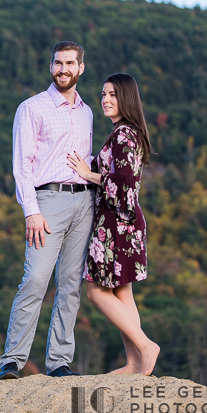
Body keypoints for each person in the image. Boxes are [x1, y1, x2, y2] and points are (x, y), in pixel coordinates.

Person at [0, 41, 94, 380]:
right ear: (50, 66)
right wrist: (30, 210)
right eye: (57, 63)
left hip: (85, 202)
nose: (63, 69)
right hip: (47, 201)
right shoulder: (32, 108)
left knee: (70, 284)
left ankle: (59, 362)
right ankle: (12, 360)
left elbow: (85, 160)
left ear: (81, 68)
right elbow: (22, 164)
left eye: (70, 63)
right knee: (36, 278)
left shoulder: (87, 112)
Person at [66, 73, 160, 375]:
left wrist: (86, 172)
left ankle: (146, 347)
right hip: (125, 222)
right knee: (123, 293)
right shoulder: (127, 132)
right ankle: (134, 363)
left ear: (126, 99)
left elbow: (124, 185)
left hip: (116, 225)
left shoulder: (123, 135)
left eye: (113, 95)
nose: (106, 100)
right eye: (104, 94)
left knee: (95, 290)